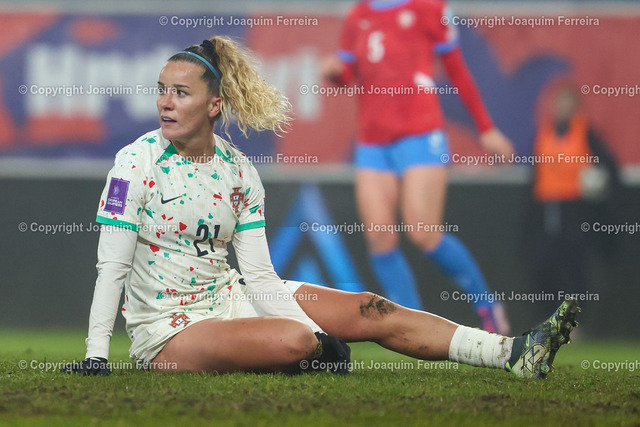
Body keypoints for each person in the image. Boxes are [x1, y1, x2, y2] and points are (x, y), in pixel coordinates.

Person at [64, 36, 578, 378]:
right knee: (296, 341)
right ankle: (305, 350)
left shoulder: (239, 171)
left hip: (232, 299)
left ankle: (510, 353)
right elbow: (112, 267)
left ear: (214, 104)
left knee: (369, 308)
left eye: (180, 92)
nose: (165, 102)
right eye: (162, 91)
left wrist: (317, 332)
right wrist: (96, 356)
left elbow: (259, 276)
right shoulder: (135, 164)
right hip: (168, 332)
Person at [321, 0, 513, 333]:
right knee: (379, 236)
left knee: (423, 231)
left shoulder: (429, 8)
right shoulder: (358, 15)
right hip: (373, 140)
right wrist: (335, 73)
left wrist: (486, 128)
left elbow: (456, 70)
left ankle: (487, 306)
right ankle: (411, 327)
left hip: (421, 134)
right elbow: (349, 74)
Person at [529, 81, 621, 313]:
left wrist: (597, 183)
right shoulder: (544, 133)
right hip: (547, 208)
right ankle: (549, 317)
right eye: (558, 102)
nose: (561, 107)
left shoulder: (586, 133)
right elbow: (536, 173)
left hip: (576, 209)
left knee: (573, 265)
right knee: (545, 264)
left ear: (576, 106)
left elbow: (609, 167)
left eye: (566, 102)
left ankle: (573, 320)